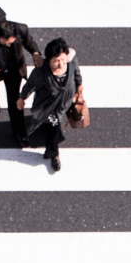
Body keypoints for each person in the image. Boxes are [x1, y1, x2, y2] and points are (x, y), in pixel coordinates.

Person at [16, 37, 83, 172]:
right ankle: (54, 154)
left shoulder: (71, 63)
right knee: (54, 129)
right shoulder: (41, 72)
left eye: (63, 60)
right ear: (49, 60)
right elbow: (29, 86)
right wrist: (21, 98)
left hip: (64, 103)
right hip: (47, 106)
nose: (60, 64)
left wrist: (79, 92)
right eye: (56, 61)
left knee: (54, 125)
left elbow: (77, 77)